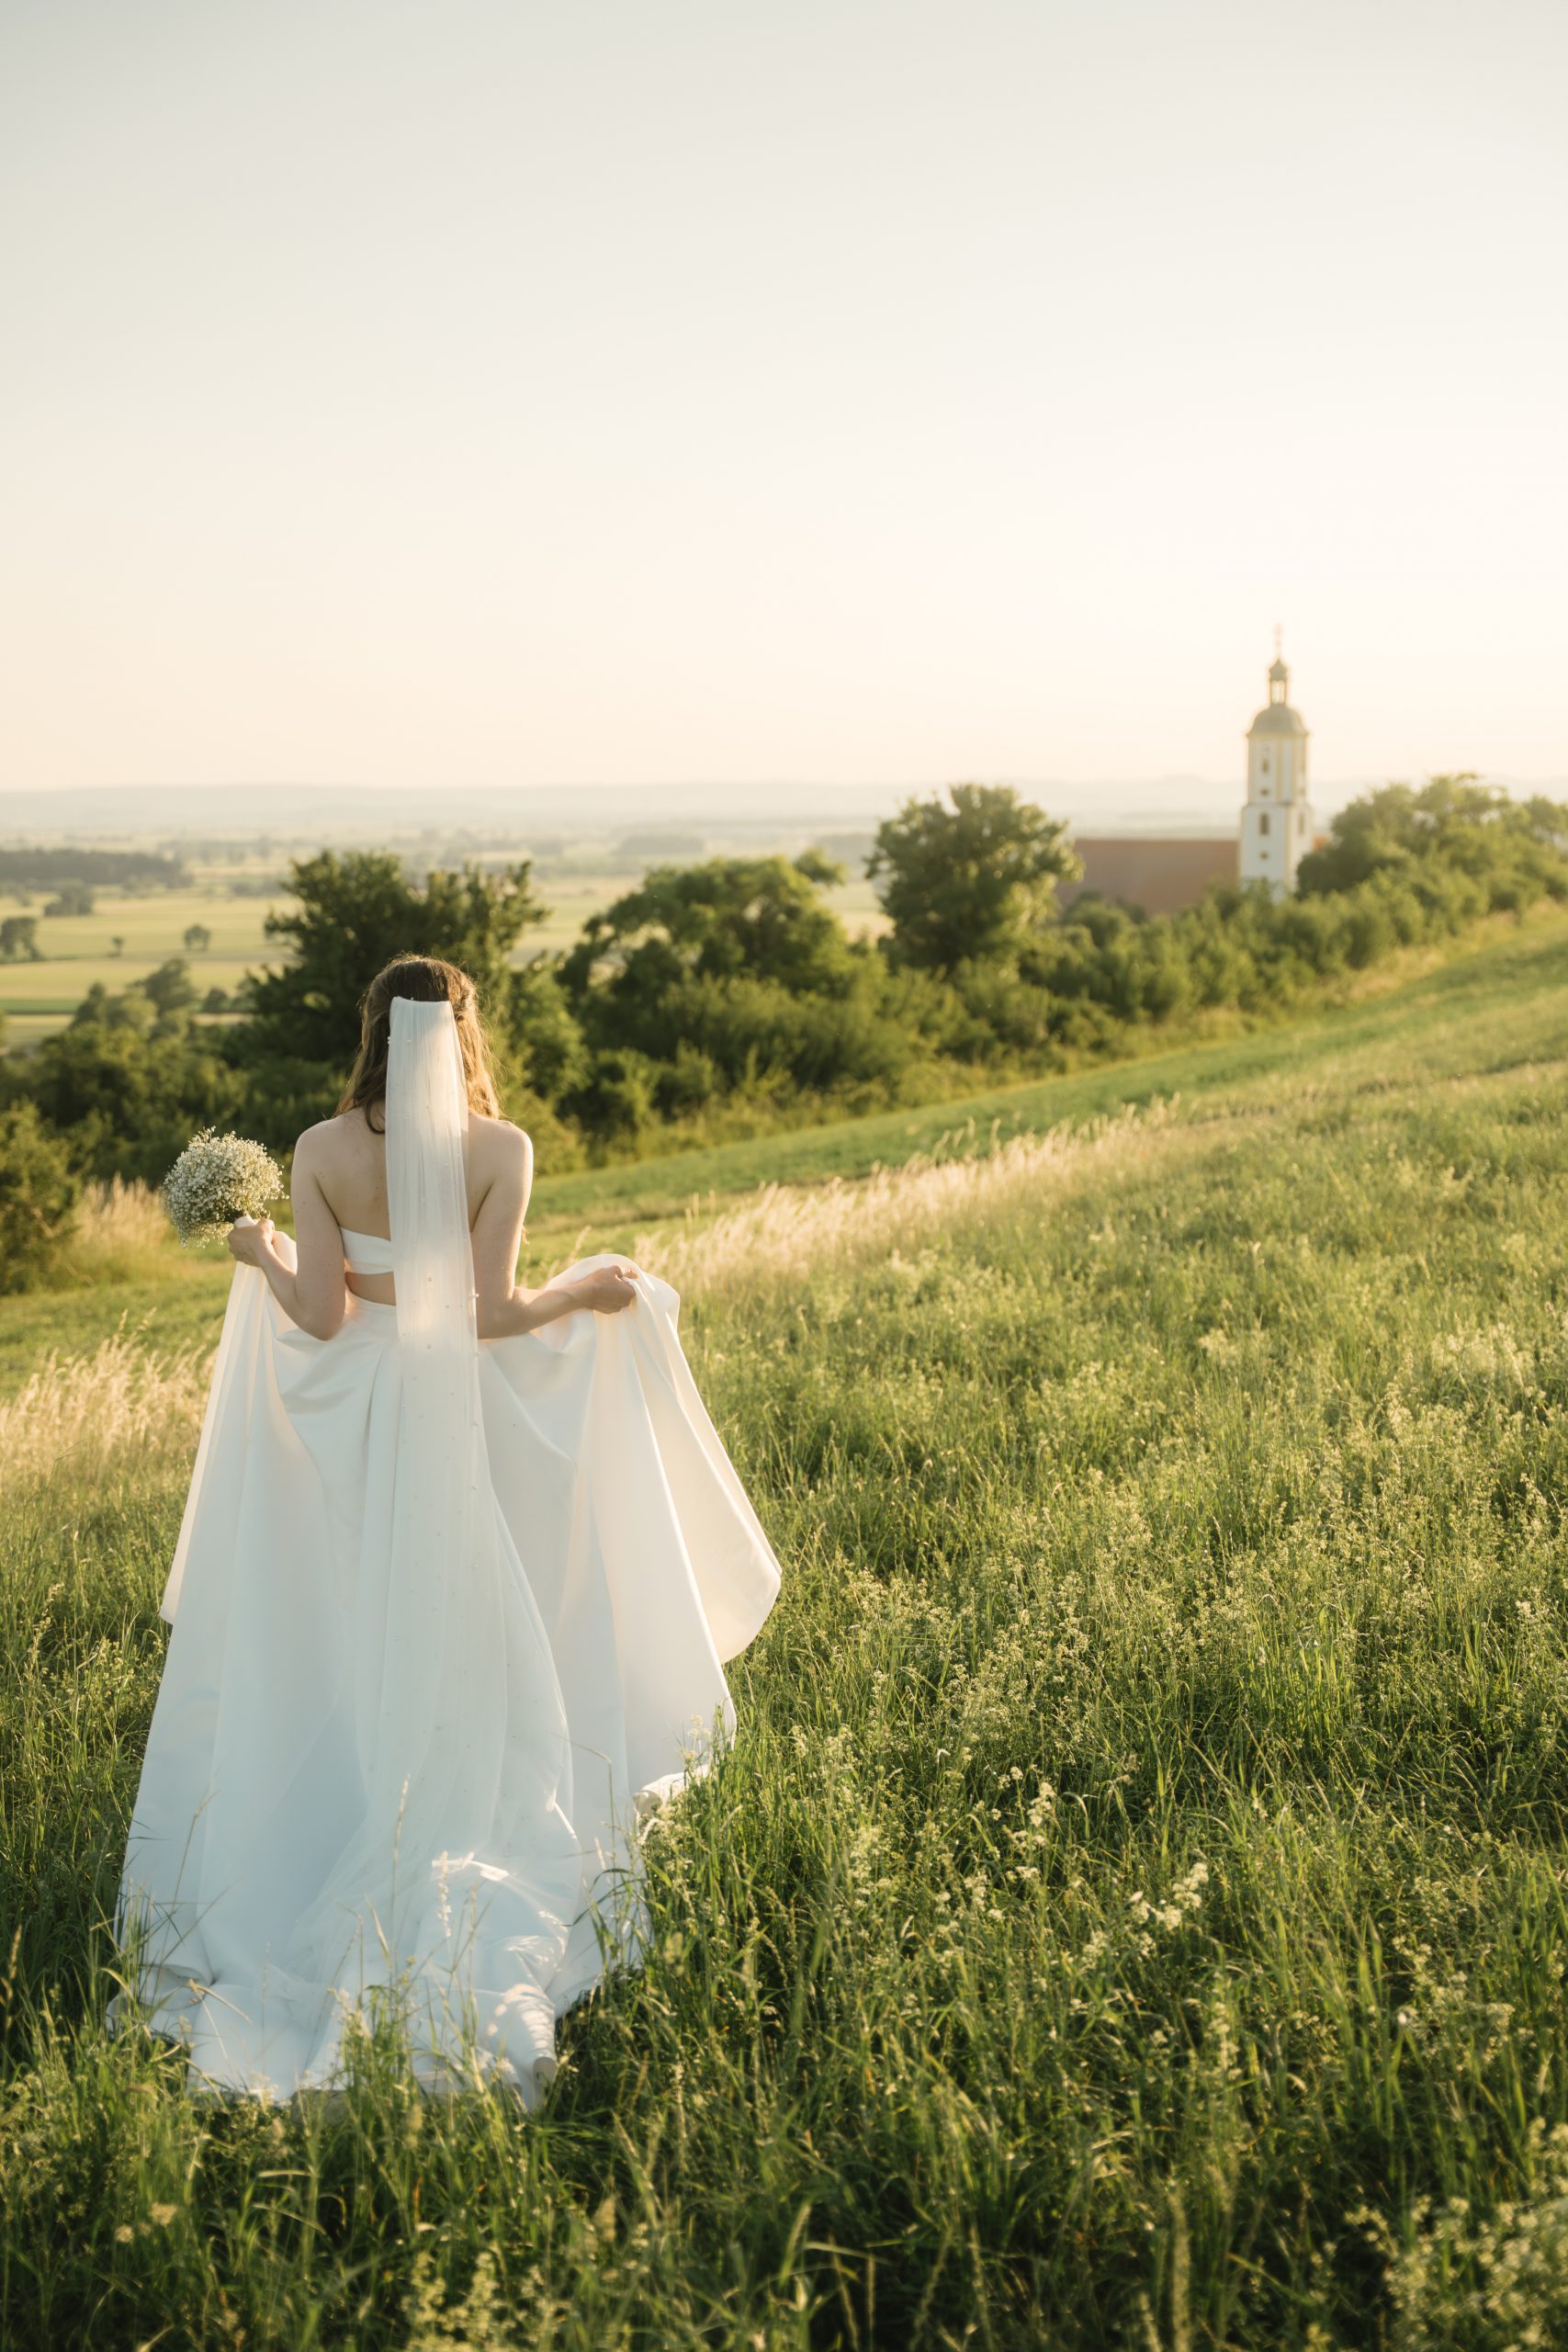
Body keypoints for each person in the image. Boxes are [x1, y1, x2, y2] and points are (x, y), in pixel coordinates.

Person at [114, 955, 782, 2105]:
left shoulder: (323, 1150)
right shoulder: (501, 1148)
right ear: (464, 1028)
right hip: (451, 1413)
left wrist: (258, 1251)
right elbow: (488, 1313)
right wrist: (590, 1290)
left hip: (360, 1415)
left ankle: (355, 1781)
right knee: (470, 1603)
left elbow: (321, 1315)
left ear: (373, 1029)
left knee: (345, 1605)